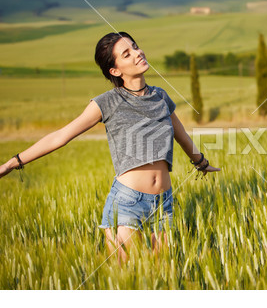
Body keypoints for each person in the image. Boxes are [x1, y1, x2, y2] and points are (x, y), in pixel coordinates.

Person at [0, 32, 221, 265]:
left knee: (163, 278)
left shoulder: (160, 96)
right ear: (115, 71)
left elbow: (181, 135)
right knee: (126, 280)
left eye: (135, 47)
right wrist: (11, 163)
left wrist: (201, 163)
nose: (138, 53)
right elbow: (61, 136)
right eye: (127, 53)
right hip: (127, 203)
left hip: (164, 203)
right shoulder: (107, 102)